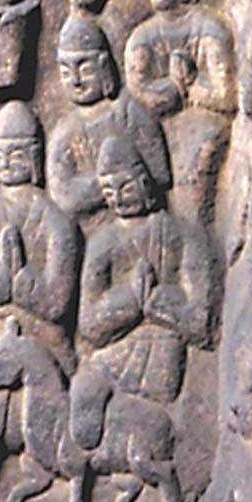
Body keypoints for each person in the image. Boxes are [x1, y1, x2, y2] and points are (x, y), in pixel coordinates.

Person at [70, 136, 217, 454]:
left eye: (125, 188)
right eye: (109, 192)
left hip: (161, 357)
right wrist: (130, 300)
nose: (118, 200)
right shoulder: (102, 244)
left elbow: (201, 323)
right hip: (114, 353)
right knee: (83, 395)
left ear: (145, 181)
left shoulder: (183, 237)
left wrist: (156, 300)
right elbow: (89, 325)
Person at [0, 101, 79, 374]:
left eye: (17, 155)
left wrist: (21, 280)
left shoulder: (56, 222)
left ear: (35, 159)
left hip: (45, 341)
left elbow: (57, 302)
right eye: (1, 155)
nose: (7, 163)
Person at [125, 0, 236, 223]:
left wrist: (191, 84)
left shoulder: (209, 28)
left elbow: (226, 95)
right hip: (153, 136)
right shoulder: (142, 38)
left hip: (203, 132)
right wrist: (175, 87)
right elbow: (139, 93)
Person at [46, 15, 171, 221]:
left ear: (103, 66)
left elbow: (159, 174)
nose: (76, 80)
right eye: (66, 71)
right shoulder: (65, 131)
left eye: (85, 69)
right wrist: (114, 181)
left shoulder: (129, 113)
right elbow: (63, 195)